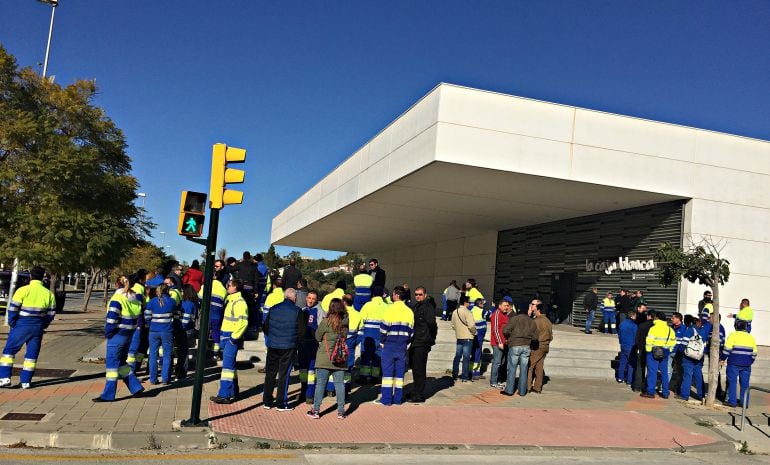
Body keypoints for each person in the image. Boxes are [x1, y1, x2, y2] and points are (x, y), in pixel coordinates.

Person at [0, 266, 56, 389]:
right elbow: (51, 314)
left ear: (31, 276)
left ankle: (4, 379)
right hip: (38, 327)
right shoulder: (49, 294)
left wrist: (12, 323)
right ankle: (26, 382)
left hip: (22, 324)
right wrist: (43, 325)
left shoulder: (22, 290)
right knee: (31, 355)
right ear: (43, 277)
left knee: (9, 352)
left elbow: (13, 309)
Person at [92, 275, 144, 402]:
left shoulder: (117, 298)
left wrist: (108, 333)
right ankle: (135, 387)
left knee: (112, 367)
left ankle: (108, 395)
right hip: (128, 334)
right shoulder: (135, 299)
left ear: (117, 284)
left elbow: (111, 319)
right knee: (121, 363)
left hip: (117, 335)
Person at [262, 288, 305, 411]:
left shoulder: (274, 308)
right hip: (288, 346)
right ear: (295, 298)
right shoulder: (297, 311)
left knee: (270, 373)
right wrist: (295, 342)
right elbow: (302, 332)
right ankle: (281, 403)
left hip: (273, 345)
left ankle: (267, 401)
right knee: (284, 375)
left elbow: (265, 327)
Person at [307, 299, 349, 419]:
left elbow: (317, 336)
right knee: (340, 384)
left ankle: (316, 410)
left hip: (324, 357)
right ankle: (341, 411)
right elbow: (345, 336)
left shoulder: (326, 322)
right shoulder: (345, 321)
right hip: (340, 358)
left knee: (320, 384)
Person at [210, 279, 249, 404]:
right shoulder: (231, 300)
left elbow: (243, 323)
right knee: (230, 366)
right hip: (227, 337)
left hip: (231, 338)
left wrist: (233, 338)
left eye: (229, 285)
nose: (227, 287)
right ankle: (233, 392)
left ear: (235, 288)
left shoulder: (239, 302)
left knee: (227, 368)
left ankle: (224, 395)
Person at [375, 286, 414, 406]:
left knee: (387, 375)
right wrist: (406, 343)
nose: (392, 296)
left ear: (396, 295)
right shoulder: (409, 311)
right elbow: (411, 331)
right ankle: (398, 399)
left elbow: (383, 329)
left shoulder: (389, 310)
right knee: (399, 375)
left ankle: (386, 400)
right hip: (402, 346)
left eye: (393, 294)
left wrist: (382, 342)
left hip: (389, 345)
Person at [408, 286, 437, 403]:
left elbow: (432, 324)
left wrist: (431, 338)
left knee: (419, 368)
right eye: (416, 294)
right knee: (415, 367)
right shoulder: (417, 306)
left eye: (420, 294)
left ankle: (418, 394)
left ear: (425, 295)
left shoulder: (428, 307)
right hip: (415, 341)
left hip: (422, 341)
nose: (418, 296)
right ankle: (415, 390)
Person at [502, 306, 538, 396]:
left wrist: (511, 336)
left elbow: (505, 331)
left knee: (511, 369)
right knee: (524, 369)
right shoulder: (531, 321)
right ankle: (522, 391)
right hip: (526, 346)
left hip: (514, 345)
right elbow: (536, 337)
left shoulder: (514, 319)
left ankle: (509, 390)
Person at [721, 319, 757, 408]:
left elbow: (727, 350)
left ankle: (732, 402)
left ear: (736, 326)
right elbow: (754, 353)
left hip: (733, 363)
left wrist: (722, 359)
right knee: (745, 384)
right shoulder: (751, 337)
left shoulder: (733, 335)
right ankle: (744, 403)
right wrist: (750, 361)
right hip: (746, 365)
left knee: (732, 382)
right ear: (745, 327)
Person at [145, 284, 175, 385]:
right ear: (167, 291)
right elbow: (176, 314)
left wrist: (151, 325)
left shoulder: (152, 301)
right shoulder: (171, 301)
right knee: (167, 355)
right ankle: (165, 378)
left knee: (153, 355)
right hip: (167, 331)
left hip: (153, 331)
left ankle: (153, 379)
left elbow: (147, 316)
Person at [641, 312, 675, 399]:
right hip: (665, 352)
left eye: (655, 317)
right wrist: (669, 350)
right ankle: (665, 393)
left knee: (652, 372)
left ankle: (650, 392)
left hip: (653, 352)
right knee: (664, 373)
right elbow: (673, 342)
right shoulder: (670, 329)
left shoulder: (653, 328)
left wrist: (648, 352)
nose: (654, 318)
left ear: (658, 318)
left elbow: (649, 341)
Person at [358, 286, 387, 383]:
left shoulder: (367, 305)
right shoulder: (386, 306)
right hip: (380, 333)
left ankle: (363, 377)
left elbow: (361, 320)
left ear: (373, 294)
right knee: (377, 355)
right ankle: (375, 377)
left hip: (368, 333)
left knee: (366, 354)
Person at [298, 291, 321, 404]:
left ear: (316, 300)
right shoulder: (302, 310)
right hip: (302, 344)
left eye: (313, 298)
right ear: (306, 298)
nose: (311, 300)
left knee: (311, 371)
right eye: (309, 298)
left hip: (313, 344)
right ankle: (303, 391)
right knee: (303, 370)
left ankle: (310, 395)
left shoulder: (319, 311)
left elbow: (321, 328)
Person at [199, 276, 227, 359]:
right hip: (217, 315)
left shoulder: (205, 286)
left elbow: (200, 298)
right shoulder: (223, 289)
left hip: (206, 315)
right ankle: (215, 354)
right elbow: (224, 302)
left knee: (204, 334)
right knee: (216, 333)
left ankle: (202, 354)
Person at [175, 284, 199, 380]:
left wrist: (180, 327)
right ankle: (180, 371)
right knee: (182, 352)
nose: (180, 293)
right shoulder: (189, 302)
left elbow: (186, 319)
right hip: (186, 329)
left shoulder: (187, 303)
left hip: (185, 330)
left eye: (182, 291)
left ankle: (181, 373)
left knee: (182, 352)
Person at [528, 299, 553, 393]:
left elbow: (531, 333)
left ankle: (528, 386)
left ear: (538, 308)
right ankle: (537, 387)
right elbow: (551, 336)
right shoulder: (547, 321)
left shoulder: (537, 321)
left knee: (530, 366)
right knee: (539, 366)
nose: (531, 306)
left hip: (538, 346)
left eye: (533, 304)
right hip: (545, 346)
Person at [677, 317, 704, 401]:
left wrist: (680, 352)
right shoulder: (703, 332)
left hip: (688, 357)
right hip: (698, 357)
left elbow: (684, 343)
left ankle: (685, 395)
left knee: (687, 376)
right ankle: (701, 395)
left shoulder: (690, 330)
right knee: (698, 376)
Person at [451, 296, 476, 383]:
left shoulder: (455, 311)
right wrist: (475, 333)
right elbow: (471, 326)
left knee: (457, 356)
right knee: (466, 358)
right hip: (468, 337)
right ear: (465, 302)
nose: (469, 303)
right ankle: (465, 377)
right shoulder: (468, 312)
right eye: (469, 302)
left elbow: (453, 325)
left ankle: (454, 375)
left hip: (459, 337)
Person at [489, 297, 512, 389]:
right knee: (497, 362)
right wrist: (500, 342)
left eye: (507, 306)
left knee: (501, 362)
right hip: (497, 343)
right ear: (500, 306)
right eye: (504, 305)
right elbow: (496, 330)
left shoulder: (505, 314)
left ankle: (498, 380)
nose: (506, 307)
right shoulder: (497, 314)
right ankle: (493, 381)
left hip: (504, 342)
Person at [632, 305, 653, 391]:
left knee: (640, 368)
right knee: (651, 369)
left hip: (642, 349)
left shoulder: (642, 325)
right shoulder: (655, 326)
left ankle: (637, 387)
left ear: (648, 316)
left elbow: (637, 338)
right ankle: (648, 387)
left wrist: (639, 347)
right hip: (653, 350)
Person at [669, 312, 688, 394]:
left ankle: (678, 388)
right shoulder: (671, 327)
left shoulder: (684, 329)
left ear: (678, 319)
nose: (671, 319)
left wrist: (680, 352)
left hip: (679, 353)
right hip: (670, 352)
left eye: (673, 318)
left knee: (680, 372)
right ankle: (664, 387)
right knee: (668, 370)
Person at [616, 309, 637, 384]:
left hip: (623, 345)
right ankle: (629, 380)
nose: (636, 317)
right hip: (631, 345)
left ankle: (620, 378)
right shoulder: (634, 325)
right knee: (631, 364)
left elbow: (619, 334)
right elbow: (635, 336)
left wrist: (621, 342)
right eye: (635, 316)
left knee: (622, 362)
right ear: (632, 316)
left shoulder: (622, 324)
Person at [470, 298, 487, 380]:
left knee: (473, 352)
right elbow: (490, 315)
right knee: (477, 353)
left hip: (473, 334)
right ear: (479, 304)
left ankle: (473, 371)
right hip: (479, 335)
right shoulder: (482, 311)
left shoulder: (472, 309)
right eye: (482, 304)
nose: (483, 305)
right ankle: (475, 372)